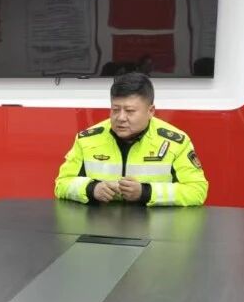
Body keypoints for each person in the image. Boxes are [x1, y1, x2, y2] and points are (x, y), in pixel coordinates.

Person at [55, 72, 209, 206]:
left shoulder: (175, 143)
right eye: (115, 110)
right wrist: (92, 189)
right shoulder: (87, 139)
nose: (121, 118)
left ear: (150, 111)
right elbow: (62, 184)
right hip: (100, 223)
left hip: (154, 226)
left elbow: (197, 190)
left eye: (130, 111)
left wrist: (145, 192)